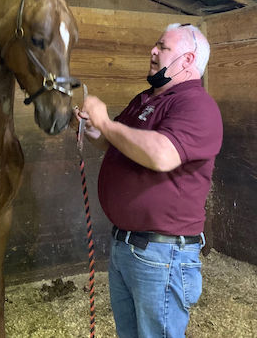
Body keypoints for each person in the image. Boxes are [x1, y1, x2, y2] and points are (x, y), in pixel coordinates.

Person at [73, 23, 223, 338]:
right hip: (127, 247)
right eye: (155, 45)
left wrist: (104, 121)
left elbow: (162, 155)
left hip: (162, 255)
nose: (152, 51)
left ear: (186, 60)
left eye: (162, 47)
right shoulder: (146, 99)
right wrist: (92, 128)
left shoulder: (196, 105)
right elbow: (117, 141)